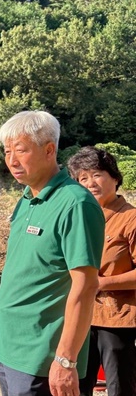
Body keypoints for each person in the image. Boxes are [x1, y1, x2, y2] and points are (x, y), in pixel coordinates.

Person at [0, 111, 105, 396]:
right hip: (10, 348)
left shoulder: (75, 204)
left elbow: (86, 285)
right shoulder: (28, 198)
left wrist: (65, 359)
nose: (12, 160)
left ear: (49, 150)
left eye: (21, 150)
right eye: (7, 151)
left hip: (43, 356)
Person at [67, 146, 136, 396]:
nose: (90, 183)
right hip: (79, 316)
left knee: (119, 386)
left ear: (115, 178)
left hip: (115, 320)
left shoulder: (130, 219)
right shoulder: (80, 218)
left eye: (96, 174)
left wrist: (99, 283)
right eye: (82, 178)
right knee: (78, 385)